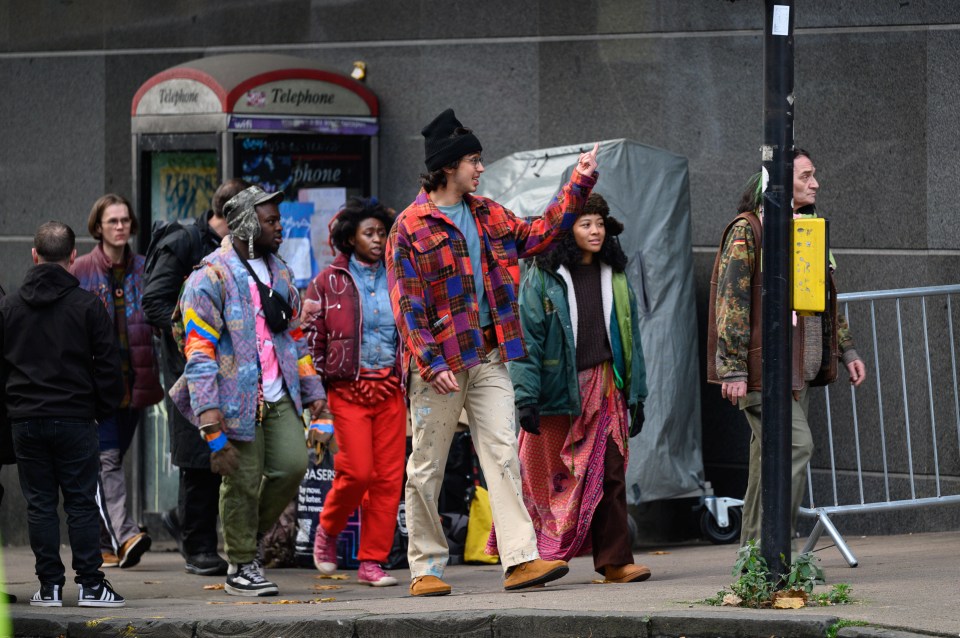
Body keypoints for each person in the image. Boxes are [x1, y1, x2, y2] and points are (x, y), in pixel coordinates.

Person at [386, 108, 598, 596]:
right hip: (439, 367)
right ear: (447, 166)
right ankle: (425, 568)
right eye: (474, 161)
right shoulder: (409, 225)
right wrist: (430, 360)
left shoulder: (488, 214)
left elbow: (541, 232)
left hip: (489, 357)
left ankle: (521, 559)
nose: (481, 169)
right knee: (426, 466)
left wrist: (579, 181)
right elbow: (407, 303)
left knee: (503, 454)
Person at [170, 185, 326, 597]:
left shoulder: (281, 271)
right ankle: (241, 564)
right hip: (233, 401)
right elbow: (199, 352)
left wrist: (316, 399)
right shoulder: (210, 275)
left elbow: (296, 338)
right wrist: (208, 416)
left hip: (280, 395)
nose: (280, 227)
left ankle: (246, 541)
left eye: (278, 219)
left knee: (292, 466)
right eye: (270, 220)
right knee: (241, 480)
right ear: (244, 223)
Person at [707, 148, 867, 546]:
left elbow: (823, 299)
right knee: (797, 447)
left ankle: (754, 557)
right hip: (765, 370)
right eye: (806, 176)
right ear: (778, 182)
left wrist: (846, 350)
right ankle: (778, 552)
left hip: (800, 370)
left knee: (765, 466)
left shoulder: (808, 228)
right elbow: (732, 301)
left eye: (814, 176)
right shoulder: (749, 229)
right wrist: (733, 369)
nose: (815, 183)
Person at [505, 193, 652, 583]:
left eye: (601, 223)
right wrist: (526, 398)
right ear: (567, 230)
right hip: (559, 395)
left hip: (607, 390)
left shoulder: (615, 276)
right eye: (586, 223)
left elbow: (631, 339)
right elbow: (528, 340)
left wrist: (637, 397)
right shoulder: (541, 275)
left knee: (612, 474)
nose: (596, 231)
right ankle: (525, 560)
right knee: (540, 480)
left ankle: (615, 561)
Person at [1, 221, 126, 607]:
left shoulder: (9, 306)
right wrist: (99, 411)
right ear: (73, 257)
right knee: (81, 502)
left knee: (39, 504)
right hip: (75, 417)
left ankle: (49, 587)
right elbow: (109, 369)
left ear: (34, 255)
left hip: (25, 419)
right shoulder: (88, 306)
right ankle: (90, 585)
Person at [142, 179, 245, 576]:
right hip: (191, 366)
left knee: (221, 455)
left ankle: (182, 519)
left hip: (230, 367)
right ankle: (199, 547)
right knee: (198, 455)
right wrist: (191, 336)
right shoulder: (184, 243)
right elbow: (154, 300)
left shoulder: (237, 248)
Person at [301, 197, 405, 587]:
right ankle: (328, 530)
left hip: (391, 389)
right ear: (351, 238)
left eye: (382, 233)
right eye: (369, 233)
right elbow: (309, 337)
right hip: (346, 390)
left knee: (388, 480)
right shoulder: (328, 280)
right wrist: (318, 392)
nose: (378, 239)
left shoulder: (399, 276)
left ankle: (372, 562)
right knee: (357, 472)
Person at [72, 194, 164, 569]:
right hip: (99, 386)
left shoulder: (145, 268)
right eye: (112, 221)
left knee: (108, 461)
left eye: (125, 220)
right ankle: (125, 535)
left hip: (136, 382)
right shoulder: (80, 270)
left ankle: (101, 543)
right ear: (98, 226)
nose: (121, 226)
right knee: (107, 461)